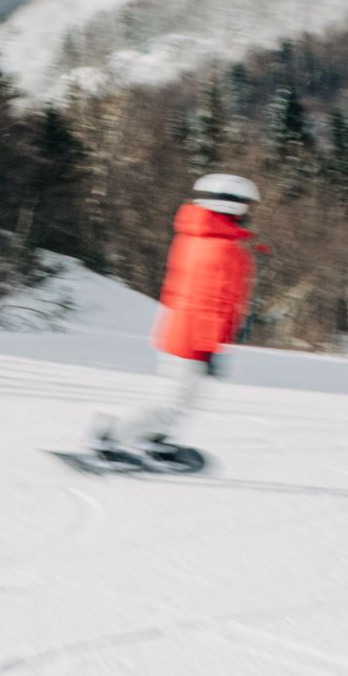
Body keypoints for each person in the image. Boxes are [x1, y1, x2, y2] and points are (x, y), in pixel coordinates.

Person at [93, 170, 259, 468]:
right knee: (171, 403)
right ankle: (113, 438)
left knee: (176, 398)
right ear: (234, 205)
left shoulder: (194, 237)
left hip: (178, 330)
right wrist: (210, 348)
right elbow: (212, 302)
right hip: (194, 338)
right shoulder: (224, 248)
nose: (250, 212)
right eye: (247, 204)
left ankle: (151, 439)